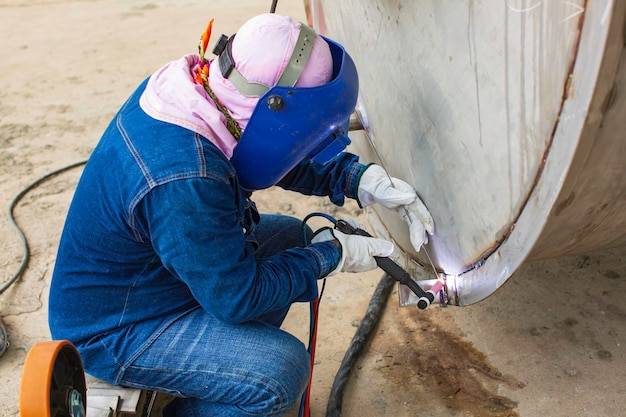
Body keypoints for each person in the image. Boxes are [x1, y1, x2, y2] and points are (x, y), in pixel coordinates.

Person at [48, 13, 434, 417]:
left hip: (147, 279)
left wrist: (355, 179)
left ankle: (222, 376)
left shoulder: (201, 91)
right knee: (280, 372)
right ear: (272, 104)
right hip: (115, 328)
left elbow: (269, 146)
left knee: (289, 238)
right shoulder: (186, 176)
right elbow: (238, 298)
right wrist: (330, 257)